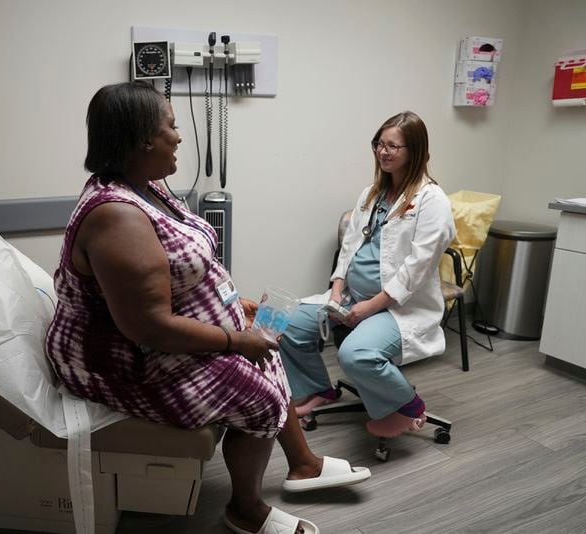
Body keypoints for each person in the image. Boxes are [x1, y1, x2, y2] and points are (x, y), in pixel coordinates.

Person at [46, 82, 369, 534]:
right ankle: (245, 511)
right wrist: (235, 338)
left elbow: (188, 268)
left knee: (269, 358)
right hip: (124, 362)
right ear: (143, 139)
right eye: (172, 126)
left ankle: (304, 465)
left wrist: (236, 305)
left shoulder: (148, 185)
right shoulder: (115, 217)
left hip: (172, 332)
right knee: (259, 398)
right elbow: (148, 327)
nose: (179, 136)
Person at [279, 111, 455, 438]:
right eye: (379, 144)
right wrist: (335, 290)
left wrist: (370, 307)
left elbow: (416, 269)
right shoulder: (372, 194)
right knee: (286, 323)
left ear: (415, 152)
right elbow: (349, 247)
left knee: (355, 353)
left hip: (398, 308)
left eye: (393, 146)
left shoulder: (433, 203)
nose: (383, 152)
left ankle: (408, 406)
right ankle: (320, 390)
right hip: (351, 297)